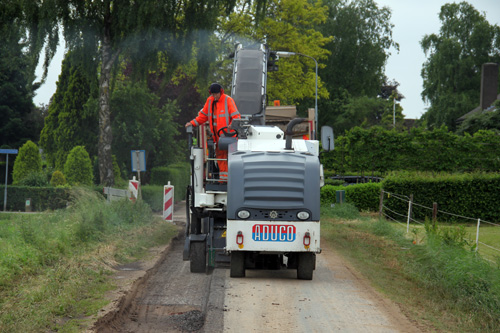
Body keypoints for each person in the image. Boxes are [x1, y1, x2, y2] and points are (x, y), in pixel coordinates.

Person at [185, 83, 241, 180]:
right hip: (218, 138)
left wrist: (231, 125)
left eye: (216, 94)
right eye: (213, 94)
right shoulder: (210, 101)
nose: (215, 96)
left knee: (229, 159)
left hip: (229, 137)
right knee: (220, 158)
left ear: (221, 92)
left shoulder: (228, 100)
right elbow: (203, 116)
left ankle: (228, 180)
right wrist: (192, 123)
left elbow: (236, 117)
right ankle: (224, 180)